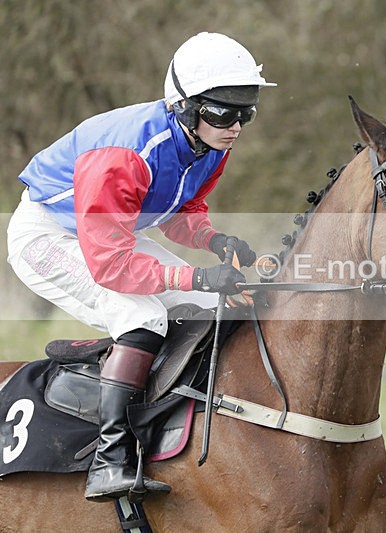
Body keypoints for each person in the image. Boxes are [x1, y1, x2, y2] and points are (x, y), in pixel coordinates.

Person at [6, 32, 275, 501]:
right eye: (223, 112)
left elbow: (178, 210)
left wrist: (215, 240)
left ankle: (174, 420)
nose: (235, 126)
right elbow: (111, 265)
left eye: (245, 112)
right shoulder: (124, 157)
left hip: (109, 235)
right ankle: (110, 459)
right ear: (185, 107)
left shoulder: (210, 143)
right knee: (143, 315)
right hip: (46, 236)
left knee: (205, 303)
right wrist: (196, 273)